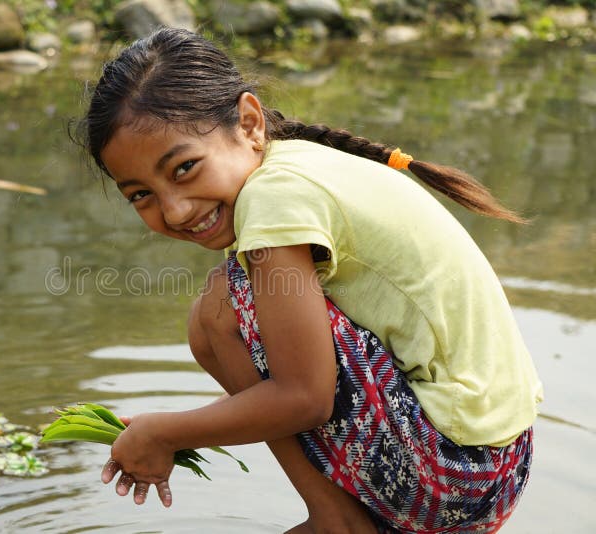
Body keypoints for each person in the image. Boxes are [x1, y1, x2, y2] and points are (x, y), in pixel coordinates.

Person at [79, 27, 543, 533]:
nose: (174, 209)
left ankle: (336, 523)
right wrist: (171, 429)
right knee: (229, 306)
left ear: (249, 122)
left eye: (185, 167)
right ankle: (344, 518)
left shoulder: (273, 199)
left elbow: (304, 397)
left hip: (452, 474)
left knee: (219, 312)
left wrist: (166, 433)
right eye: (140, 195)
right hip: (499, 463)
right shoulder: (295, 164)